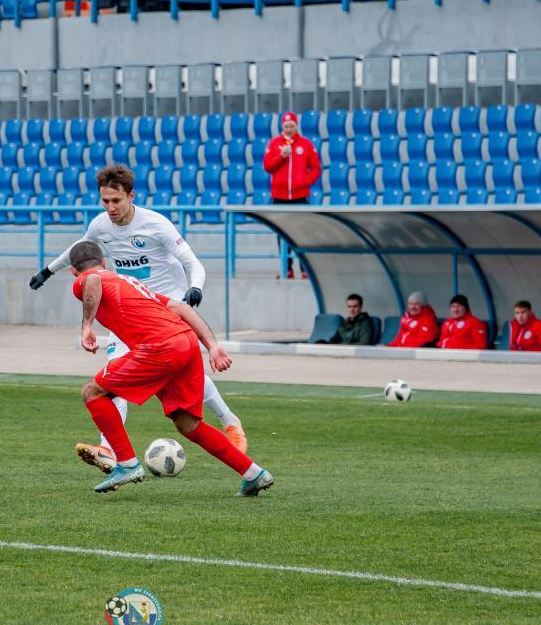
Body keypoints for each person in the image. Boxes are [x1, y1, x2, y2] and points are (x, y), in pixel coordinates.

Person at [28, 163, 248, 474]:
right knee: (114, 374)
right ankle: (107, 448)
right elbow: (80, 250)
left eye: (116, 200)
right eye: (105, 201)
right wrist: (48, 271)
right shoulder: (100, 225)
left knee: (176, 377)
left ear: (131, 196)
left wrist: (195, 287)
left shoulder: (157, 224)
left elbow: (192, 262)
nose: (110, 208)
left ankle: (229, 421)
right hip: (130, 309)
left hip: (166, 307)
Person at [69, 240, 274, 497]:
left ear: (73, 270)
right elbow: (181, 308)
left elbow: (92, 281)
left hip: (159, 346)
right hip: (186, 341)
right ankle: (254, 474)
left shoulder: (87, 279)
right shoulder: (130, 282)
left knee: (93, 392)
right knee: (188, 423)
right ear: (104, 262)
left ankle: (127, 464)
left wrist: (87, 326)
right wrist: (213, 346)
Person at [262, 111, 321, 278]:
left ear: (296, 126)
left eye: (292, 126)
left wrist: (305, 181)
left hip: (300, 196)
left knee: (303, 233)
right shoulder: (275, 143)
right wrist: (281, 157)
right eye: (286, 126)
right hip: (280, 197)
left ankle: (304, 269)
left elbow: (316, 167)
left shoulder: (306, 144)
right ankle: (286, 268)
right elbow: (267, 166)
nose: (289, 129)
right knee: (281, 234)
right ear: (282, 127)